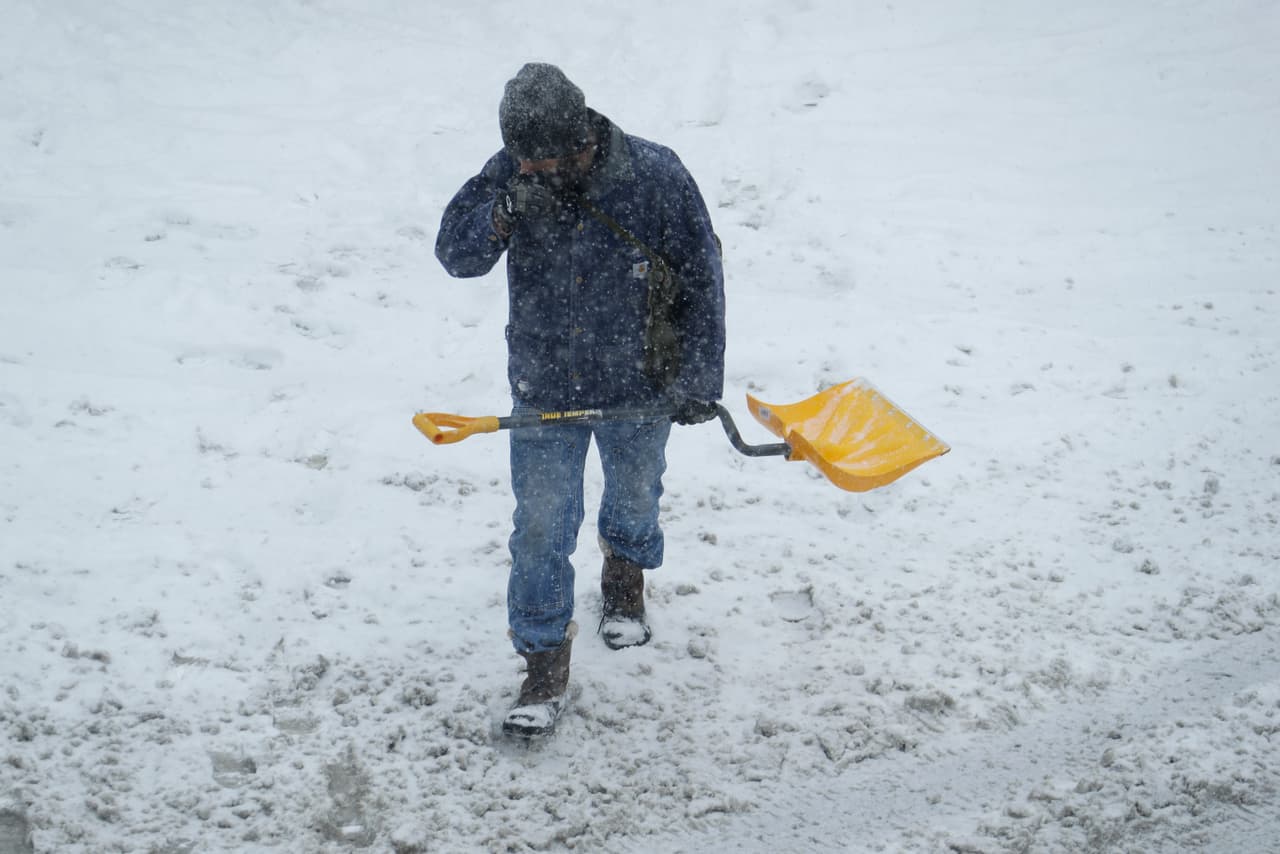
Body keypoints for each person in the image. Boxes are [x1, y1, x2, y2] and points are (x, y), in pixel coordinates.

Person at [435, 62, 725, 738]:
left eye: (550, 162)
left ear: (583, 136)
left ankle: (624, 580)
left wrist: (698, 381)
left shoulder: (655, 175)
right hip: (545, 381)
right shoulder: (510, 173)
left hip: (639, 383)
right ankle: (542, 662)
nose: (539, 173)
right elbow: (456, 253)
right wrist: (503, 212)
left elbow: (703, 279)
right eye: (526, 163)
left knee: (635, 494)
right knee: (539, 526)